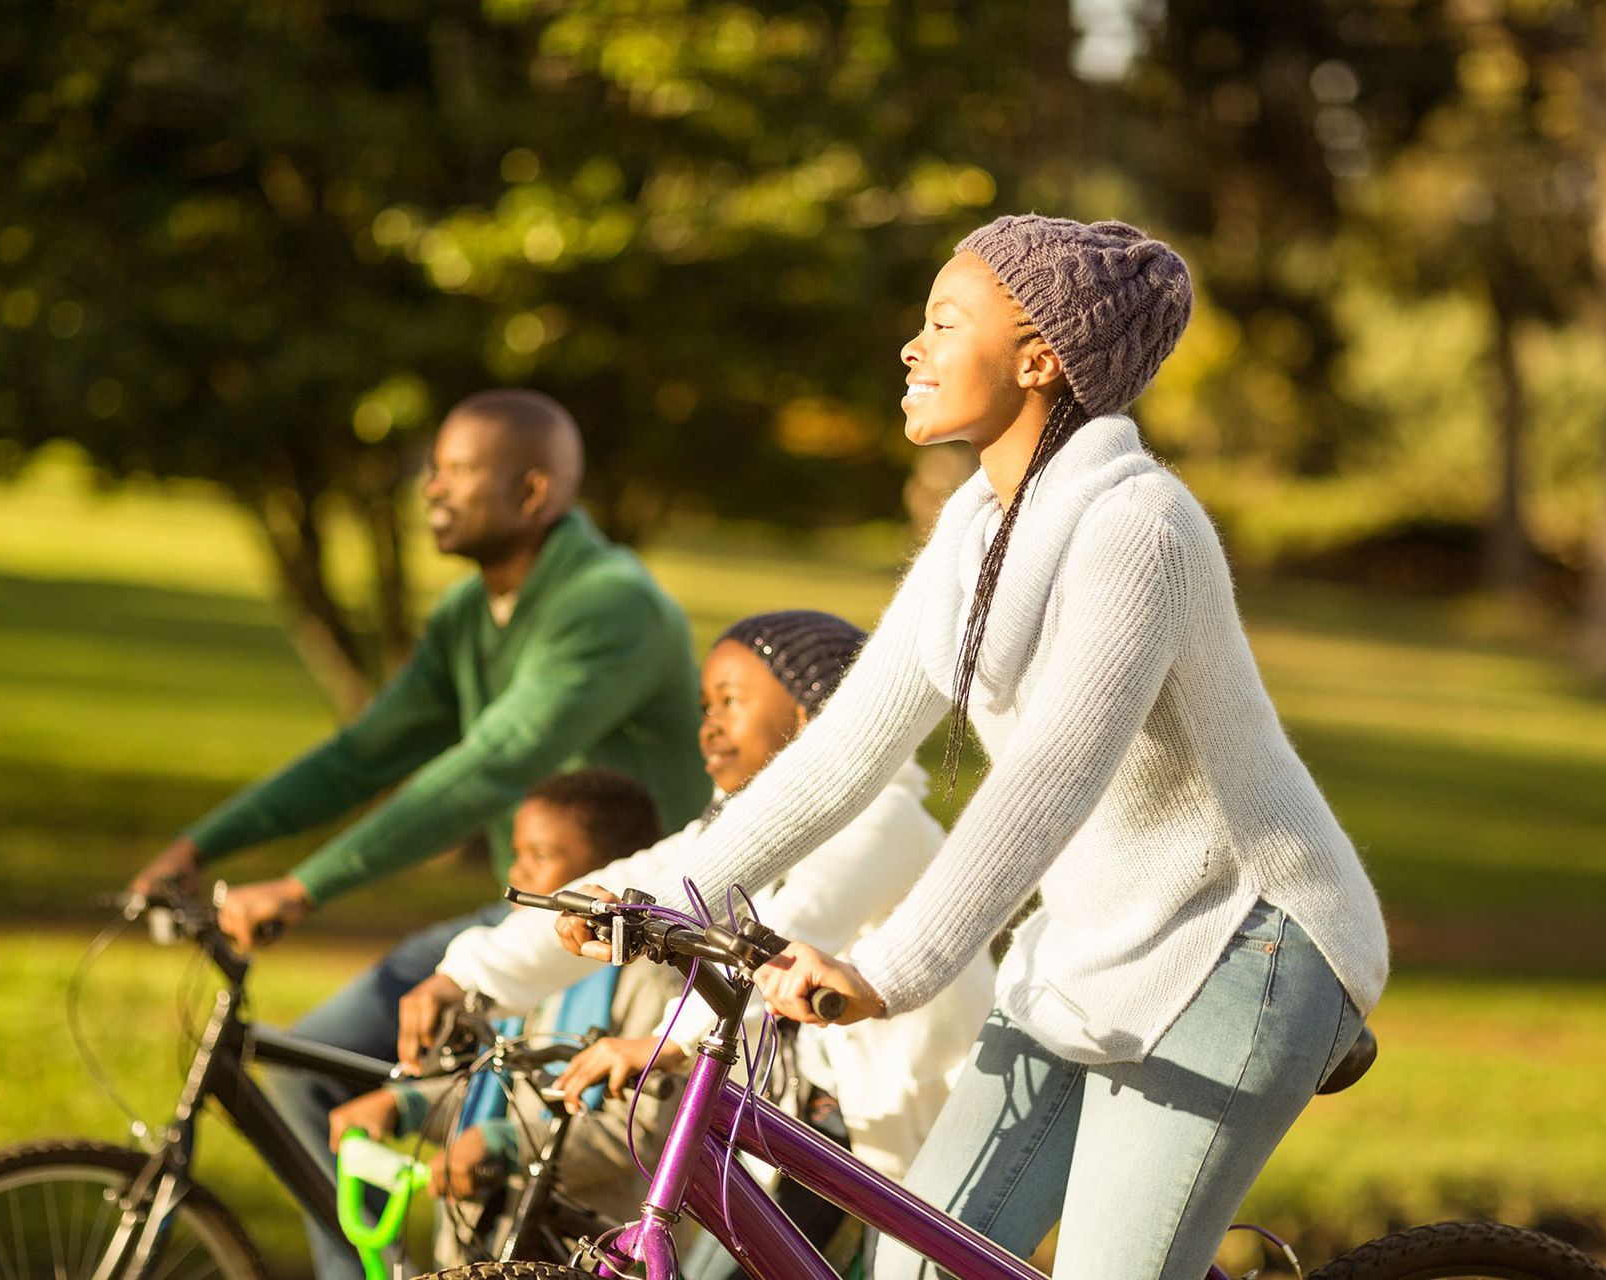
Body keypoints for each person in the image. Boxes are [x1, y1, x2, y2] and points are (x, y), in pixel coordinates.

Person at [591, 217, 1390, 1280]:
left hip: (1248, 946)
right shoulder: (975, 529)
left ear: (1038, 358)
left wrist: (890, 966)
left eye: (943, 320)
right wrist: (651, 888)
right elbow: (840, 759)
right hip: (1090, 947)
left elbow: (1051, 776)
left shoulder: (1139, 526)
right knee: (917, 1265)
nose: (910, 348)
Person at [128, 388, 710, 1280]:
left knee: (524, 1132)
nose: (432, 487)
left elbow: (491, 762)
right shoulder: (471, 616)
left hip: (624, 939)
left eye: (459, 470)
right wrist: (203, 844)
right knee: (308, 1066)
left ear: (532, 493)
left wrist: (303, 887)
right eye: (431, 467)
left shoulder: (609, 605)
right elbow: (365, 754)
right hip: (531, 910)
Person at [400, 611, 994, 1264]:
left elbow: (790, 936)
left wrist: (661, 1043)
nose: (708, 723)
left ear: (814, 717)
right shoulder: (740, 829)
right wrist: (469, 976)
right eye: (705, 704)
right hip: (793, 1127)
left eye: (732, 702)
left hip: (888, 1133)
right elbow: (645, 880)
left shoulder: (884, 823)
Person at [326, 770, 686, 1264]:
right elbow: (496, 1088)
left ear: (609, 875)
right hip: (486, 1245)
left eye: (541, 857)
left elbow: (642, 1138)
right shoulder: (520, 975)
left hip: (585, 1253)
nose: (519, 876)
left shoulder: (650, 982)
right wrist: (405, 1106)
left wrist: (505, 1145)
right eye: (517, 854)